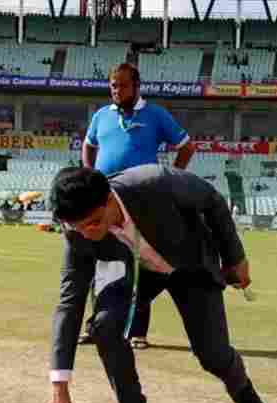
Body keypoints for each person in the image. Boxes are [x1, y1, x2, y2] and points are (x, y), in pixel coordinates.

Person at [43, 165, 268, 403]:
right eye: (76, 227)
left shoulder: (155, 182)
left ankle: (242, 389)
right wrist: (59, 383)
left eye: (93, 223)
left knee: (212, 354)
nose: (86, 233)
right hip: (136, 274)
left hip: (191, 264)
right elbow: (70, 301)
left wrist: (235, 259)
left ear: (110, 200)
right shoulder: (76, 231)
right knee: (104, 327)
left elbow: (212, 200)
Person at [79, 63, 195, 350]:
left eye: (123, 85)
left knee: (140, 266)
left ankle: (137, 331)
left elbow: (186, 146)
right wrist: (89, 175)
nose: (117, 90)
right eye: (113, 86)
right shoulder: (101, 116)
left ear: (137, 86)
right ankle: (98, 326)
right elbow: (88, 144)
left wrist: (171, 179)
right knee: (103, 265)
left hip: (143, 203)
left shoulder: (155, 115)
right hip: (105, 202)